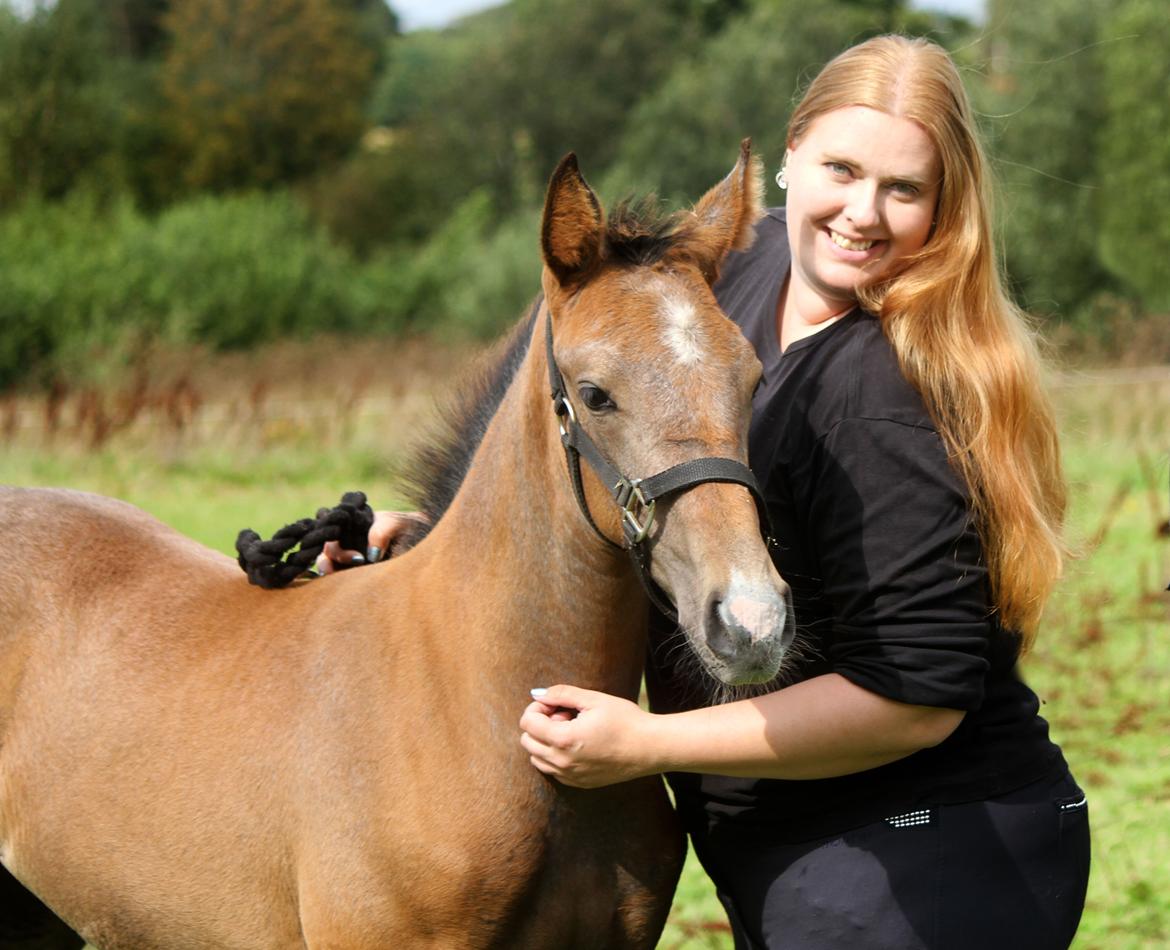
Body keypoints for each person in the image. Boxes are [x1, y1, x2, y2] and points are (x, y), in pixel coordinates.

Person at [328, 34, 1089, 949]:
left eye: (904, 189)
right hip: (807, 839)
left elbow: (917, 701)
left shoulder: (883, 395)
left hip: (924, 854)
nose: (862, 214)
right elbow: (603, 420)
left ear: (945, 205)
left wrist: (644, 747)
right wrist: (452, 536)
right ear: (789, 158)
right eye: (842, 169)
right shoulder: (739, 269)